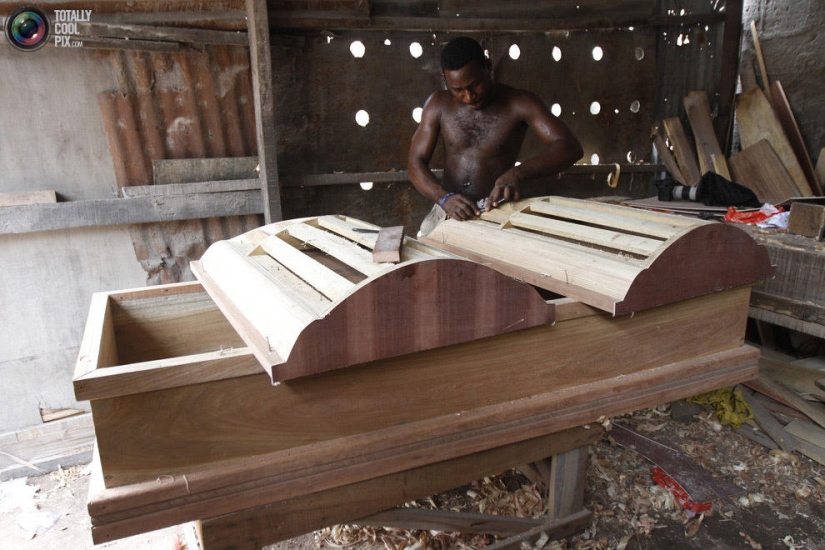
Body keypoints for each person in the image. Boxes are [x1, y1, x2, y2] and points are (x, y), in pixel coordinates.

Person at [409, 36, 583, 224]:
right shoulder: (437, 104)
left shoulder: (520, 103)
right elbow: (415, 162)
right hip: (447, 210)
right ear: (445, 79)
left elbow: (570, 147)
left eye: (475, 84)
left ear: (488, 66)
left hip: (496, 214)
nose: (469, 96)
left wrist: (518, 173)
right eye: (457, 89)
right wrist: (443, 198)